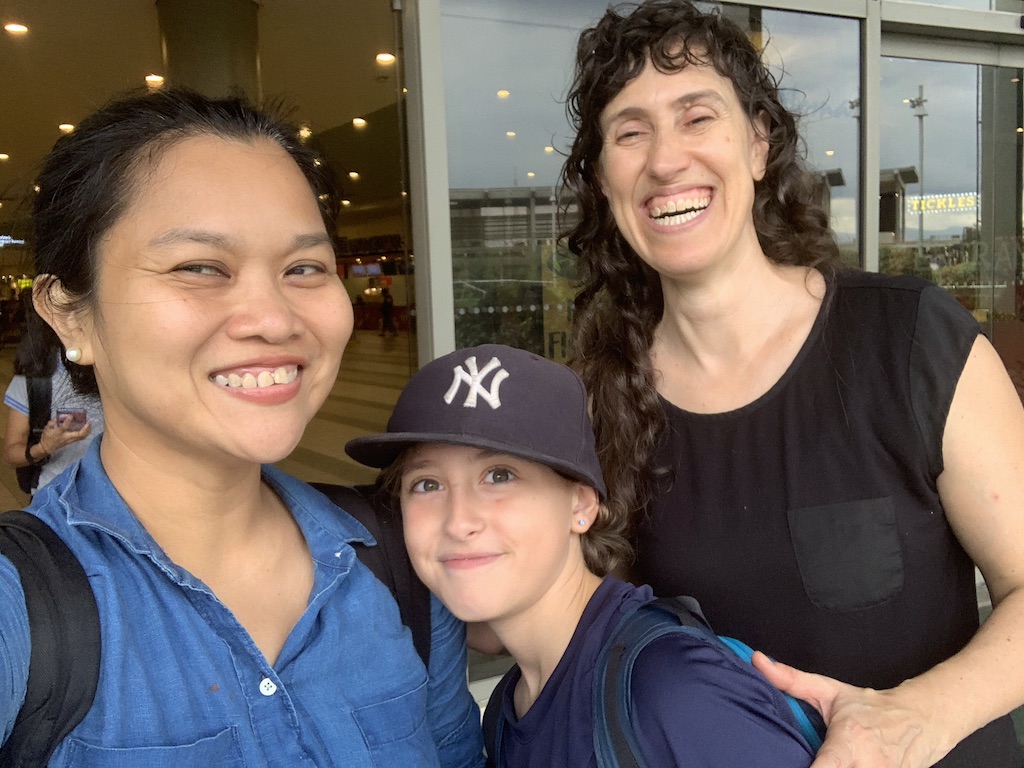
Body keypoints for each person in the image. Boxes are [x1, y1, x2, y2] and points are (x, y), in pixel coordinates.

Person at [561, 2, 1024, 767]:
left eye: (696, 117)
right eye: (629, 131)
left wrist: (917, 716)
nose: (666, 160)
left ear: (758, 145)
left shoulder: (908, 340)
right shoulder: (599, 402)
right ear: (606, 180)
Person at [0, 88, 483, 766]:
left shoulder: (394, 563)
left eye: (304, 268)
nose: (275, 317)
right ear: (70, 314)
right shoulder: (21, 608)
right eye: (200, 268)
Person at [346, 343, 818, 768]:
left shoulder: (669, 690)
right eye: (426, 484)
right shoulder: (512, 710)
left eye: (500, 476)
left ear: (582, 505)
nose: (458, 521)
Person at [3, 311, 102, 495]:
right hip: (55, 497)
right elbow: (10, 454)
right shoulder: (37, 376)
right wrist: (44, 447)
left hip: (119, 500)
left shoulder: (127, 370)